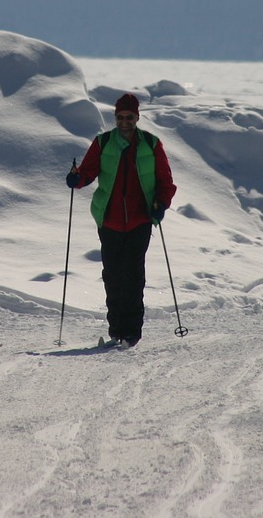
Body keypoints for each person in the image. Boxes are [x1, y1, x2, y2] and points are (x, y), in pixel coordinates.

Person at [66, 92, 176, 347]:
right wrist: (76, 179)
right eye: (120, 117)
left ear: (137, 118)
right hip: (109, 219)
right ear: (115, 118)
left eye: (129, 117)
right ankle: (116, 329)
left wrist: (161, 205)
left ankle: (132, 332)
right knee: (113, 275)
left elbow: (165, 181)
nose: (124, 122)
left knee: (133, 274)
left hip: (140, 219)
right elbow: (88, 172)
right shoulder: (104, 143)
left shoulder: (151, 143)